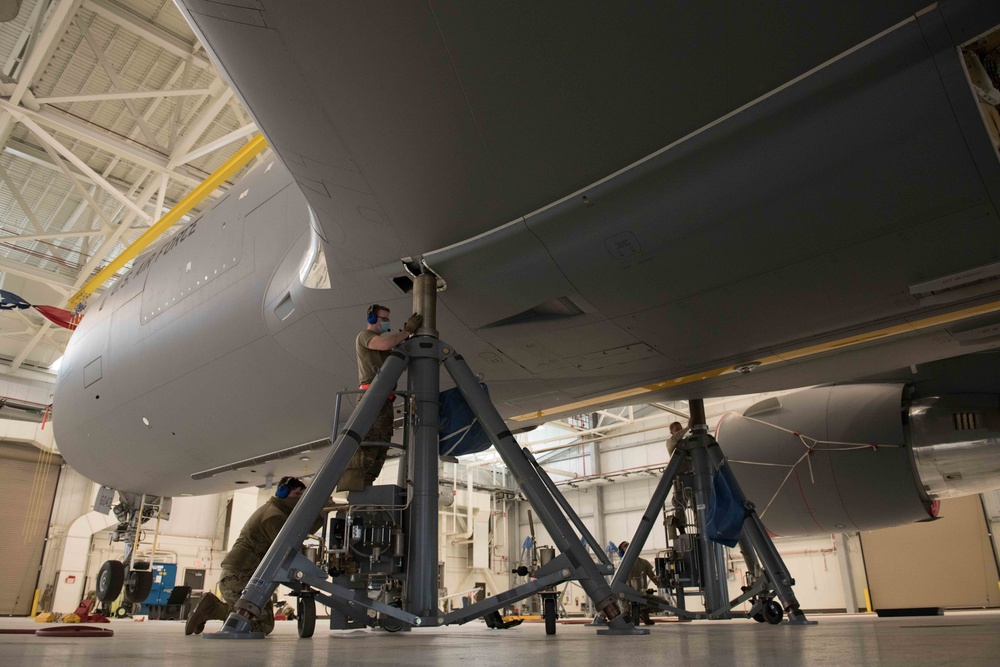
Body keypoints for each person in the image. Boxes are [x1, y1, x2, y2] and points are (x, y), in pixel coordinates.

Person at [185, 476, 326, 635]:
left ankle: (210, 608)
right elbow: (289, 546)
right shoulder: (273, 516)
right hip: (240, 576)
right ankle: (212, 609)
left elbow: (296, 535)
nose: (300, 499)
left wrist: (320, 518)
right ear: (282, 493)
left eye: (302, 495)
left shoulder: (275, 511)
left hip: (244, 574)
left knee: (261, 622)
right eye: (297, 494)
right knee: (260, 624)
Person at [341, 304, 422, 491]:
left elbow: (396, 361)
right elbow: (386, 343)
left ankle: (366, 487)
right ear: (371, 319)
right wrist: (408, 331)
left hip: (384, 399)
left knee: (380, 446)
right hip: (372, 397)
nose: (386, 322)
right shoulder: (365, 336)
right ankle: (356, 490)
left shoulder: (384, 347)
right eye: (383, 319)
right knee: (368, 446)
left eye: (387, 319)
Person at [618, 540, 662, 626]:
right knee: (626, 616)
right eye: (625, 546)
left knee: (664, 603)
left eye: (629, 545)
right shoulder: (621, 564)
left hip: (642, 593)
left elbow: (652, 576)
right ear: (621, 551)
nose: (628, 547)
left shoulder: (644, 562)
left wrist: (660, 583)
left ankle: (644, 612)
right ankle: (628, 615)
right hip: (627, 594)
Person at [666, 419, 692, 539]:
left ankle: (701, 527)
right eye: (677, 430)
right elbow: (677, 438)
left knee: (698, 504)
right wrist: (687, 428)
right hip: (680, 480)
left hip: (693, 477)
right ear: (671, 433)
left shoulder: (689, 444)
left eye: (680, 428)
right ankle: (682, 529)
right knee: (680, 504)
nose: (680, 431)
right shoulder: (671, 443)